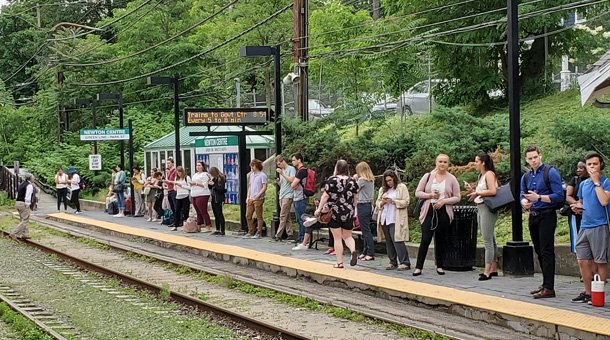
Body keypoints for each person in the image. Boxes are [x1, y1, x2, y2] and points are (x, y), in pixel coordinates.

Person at [520, 145, 564, 299]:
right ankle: (545, 283)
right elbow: (522, 194)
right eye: (530, 158)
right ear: (526, 160)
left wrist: (539, 198)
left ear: (540, 156)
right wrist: (524, 201)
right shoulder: (525, 177)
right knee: (538, 250)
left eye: (535, 157)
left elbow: (559, 196)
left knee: (546, 251)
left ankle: (549, 287)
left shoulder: (550, 172)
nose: (533, 160)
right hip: (533, 215)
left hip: (547, 214)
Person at [570, 152, 610, 303]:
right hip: (584, 225)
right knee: (582, 260)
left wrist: (596, 182)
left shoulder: (605, 182)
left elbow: (604, 201)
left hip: (599, 225)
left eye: (595, 164)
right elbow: (582, 201)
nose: (592, 167)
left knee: (600, 260)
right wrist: (577, 207)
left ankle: (599, 292)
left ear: (601, 165)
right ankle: (588, 292)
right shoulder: (583, 184)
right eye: (589, 164)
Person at [413, 154, 461, 276]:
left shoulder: (452, 179)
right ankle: (419, 267)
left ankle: (440, 265)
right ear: (436, 162)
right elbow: (418, 192)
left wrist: (444, 201)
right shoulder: (428, 176)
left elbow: (457, 197)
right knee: (425, 238)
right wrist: (430, 196)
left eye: (445, 162)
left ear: (448, 164)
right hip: (429, 209)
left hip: (443, 210)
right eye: (440, 161)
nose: (442, 164)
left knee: (441, 239)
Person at [314, 159, 359, 268]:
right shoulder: (353, 181)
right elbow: (356, 198)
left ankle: (339, 263)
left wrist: (319, 209)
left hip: (334, 212)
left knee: (337, 238)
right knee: (348, 236)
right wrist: (353, 209)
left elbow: (325, 196)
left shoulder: (332, 180)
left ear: (337, 168)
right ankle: (353, 250)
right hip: (348, 212)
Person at [466, 152, 499, 280]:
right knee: (491, 238)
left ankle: (487, 271)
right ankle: (493, 267)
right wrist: (473, 191)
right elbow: (483, 191)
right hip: (480, 206)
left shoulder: (489, 174)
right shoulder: (482, 175)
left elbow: (493, 191)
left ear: (483, 162)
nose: (475, 164)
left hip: (487, 207)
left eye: (477, 161)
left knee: (487, 240)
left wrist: (477, 193)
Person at [376, 170, 411, 270]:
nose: (389, 183)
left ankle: (404, 261)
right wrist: (382, 202)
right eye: (387, 181)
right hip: (384, 217)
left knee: (397, 239)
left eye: (390, 180)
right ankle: (392, 261)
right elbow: (377, 203)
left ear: (394, 179)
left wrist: (393, 201)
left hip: (395, 217)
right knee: (388, 240)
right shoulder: (383, 190)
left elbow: (406, 201)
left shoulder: (401, 187)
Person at [566, 160, 588, 253]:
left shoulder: (594, 180)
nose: (578, 170)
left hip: (589, 213)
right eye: (577, 167)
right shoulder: (575, 180)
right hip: (575, 213)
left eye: (581, 168)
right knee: (578, 242)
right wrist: (577, 205)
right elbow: (568, 196)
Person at [354, 162, 375, 261]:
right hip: (369, 205)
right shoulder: (371, 180)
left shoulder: (362, 180)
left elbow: (354, 189)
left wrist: (355, 179)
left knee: (365, 230)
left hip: (362, 205)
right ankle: (365, 251)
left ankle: (370, 252)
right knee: (366, 229)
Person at [244, 159, 267, 239]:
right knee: (248, 215)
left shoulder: (262, 175)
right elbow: (250, 186)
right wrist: (248, 196)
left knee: (258, 215)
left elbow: (264, 187)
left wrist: (259, 194)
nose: (252, 168)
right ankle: (251, 231)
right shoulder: (251, 175)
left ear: (256, 166)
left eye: (253, 166)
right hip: (251, 197)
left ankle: (259, 232)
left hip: (258, 198)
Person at [275, 155, 296, 241]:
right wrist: (278, 182)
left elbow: (292, 180)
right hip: (282, 195)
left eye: (279, 163)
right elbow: (284, 184)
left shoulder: (291, 169)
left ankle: (278, 235)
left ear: (283, 161)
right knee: (286, 216)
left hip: (288, 195)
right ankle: (290, 233)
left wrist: (282, 174)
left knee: (283, 215)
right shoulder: (282, 171)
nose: (279, 166)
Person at [290, 153, 310, 244]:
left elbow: (293, 184)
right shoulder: (299, 171)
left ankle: (302, 238)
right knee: (299, 219)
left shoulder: (301, 171)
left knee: (302, 218)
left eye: (294, 160)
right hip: (298, 197)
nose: (292, 162)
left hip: (301, 197)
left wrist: (293, 185)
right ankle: (301, 237)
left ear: (299, 160)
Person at [164, 166, 191, 231]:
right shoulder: (176, 178)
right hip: (178, 195)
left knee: (185, 211)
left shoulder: (186, 178)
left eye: (180, 172)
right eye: (177, 172)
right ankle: (176, 225)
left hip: (185, 195)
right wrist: (175, 187)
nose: (178, 173)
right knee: (177, 211)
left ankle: (185, 225)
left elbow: (189, 187)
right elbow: (174, 188)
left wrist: (181, 186)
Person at [10, 174, 35, 240]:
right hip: (24, 203)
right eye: (33, 177)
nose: (34, 178)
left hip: (18, 202)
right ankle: (15, 233)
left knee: (22, 218)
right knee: (25, 219)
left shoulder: (21, 184)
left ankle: (25, 234)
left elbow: (17, 194)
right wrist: (28, 205)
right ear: (30, 178)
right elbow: (28, 196)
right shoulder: (29, 186)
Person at [190, 161, 212, 232]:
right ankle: (198, 226)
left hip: (202, 194)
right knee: (198, 211)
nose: (198, 167)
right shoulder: (195, 175)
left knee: (203, 210)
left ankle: (207, 226)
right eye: (197, 165)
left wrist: (195, 183)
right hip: (194, 194)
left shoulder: (204, 174)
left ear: (203, 167)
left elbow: (204, 185)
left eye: (199, 165)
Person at [209, 167, 226, 235]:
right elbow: (211, 187)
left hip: (218, 198)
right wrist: (210, 184)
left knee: (219, 214)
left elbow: (221, 189)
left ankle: (222, 230)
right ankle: (217, 229)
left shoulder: (221, 178)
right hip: (213, 197)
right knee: (215, 214)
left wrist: (213, 185)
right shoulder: (214, 178)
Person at [165, 158, 178, 227]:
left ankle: (177, 221)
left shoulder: (174, 171)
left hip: (173, 190)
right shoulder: (169, 171)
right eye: (167, 163)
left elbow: (175, 180)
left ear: (172, 163)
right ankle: (173, 220)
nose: (168, 164)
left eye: (169, 163)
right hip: (169, 189)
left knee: (175, 206)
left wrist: (168, 182)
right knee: (172, 206)